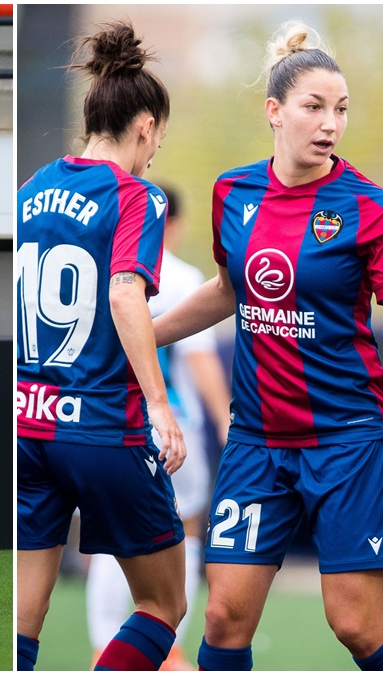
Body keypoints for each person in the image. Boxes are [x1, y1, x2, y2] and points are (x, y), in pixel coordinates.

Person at [153, 21, 383, 670]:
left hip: (348, 442)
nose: (330, 124)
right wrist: (139, 335)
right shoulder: (233, 193)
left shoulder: (372, 208)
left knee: (355, 624)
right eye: (314, 107)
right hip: (257, 442)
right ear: (275, 111)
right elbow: (229, 289)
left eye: (340, 109)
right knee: (222, 617)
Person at [16, 20, 188, 671]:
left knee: (24, 621)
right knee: (161, 604)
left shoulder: (30, 191)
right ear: (144, 127)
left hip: (28, 422)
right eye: (157, 142)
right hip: (100, 427)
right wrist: (159, 404)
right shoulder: (135, 194)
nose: (154, 156)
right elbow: (123, 295)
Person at [85, 184, 231, 670]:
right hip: (172, 427)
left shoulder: (100, 268)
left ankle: (103, 648)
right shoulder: (185, 278)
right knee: (186, 531)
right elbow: (202, 360)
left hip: (103, 424)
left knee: (110, 535)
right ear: (173, 223)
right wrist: (227, 424)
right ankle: (168, 652)